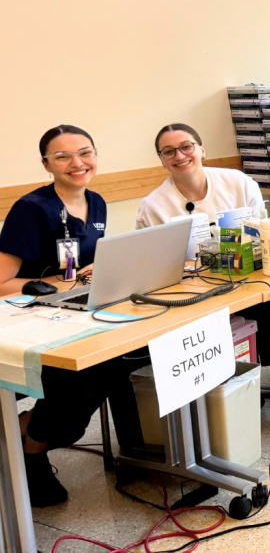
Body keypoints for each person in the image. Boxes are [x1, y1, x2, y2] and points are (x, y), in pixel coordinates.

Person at [0, 125, 143, 506]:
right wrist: (60, 285)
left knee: (121, 364)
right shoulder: (32, 210)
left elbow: (82, 262)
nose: (77, 163)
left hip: (81, 311)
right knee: (82, 386)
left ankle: (135, 450)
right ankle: (31, 446)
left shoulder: (96, 201)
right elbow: (2, 282)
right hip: (31, 320)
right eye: (62, 156)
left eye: (85, 152)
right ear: (46, 164)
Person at [136, 124, 270, 371]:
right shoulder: (154, 206)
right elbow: (152, 264)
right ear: (162, 160)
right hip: (199, 286)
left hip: (252, 268)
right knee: (256, 302)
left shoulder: (237, 182)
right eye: (168, 151)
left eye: (186, 146)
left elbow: (262, 228)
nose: (179, 156)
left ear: (202, 149)